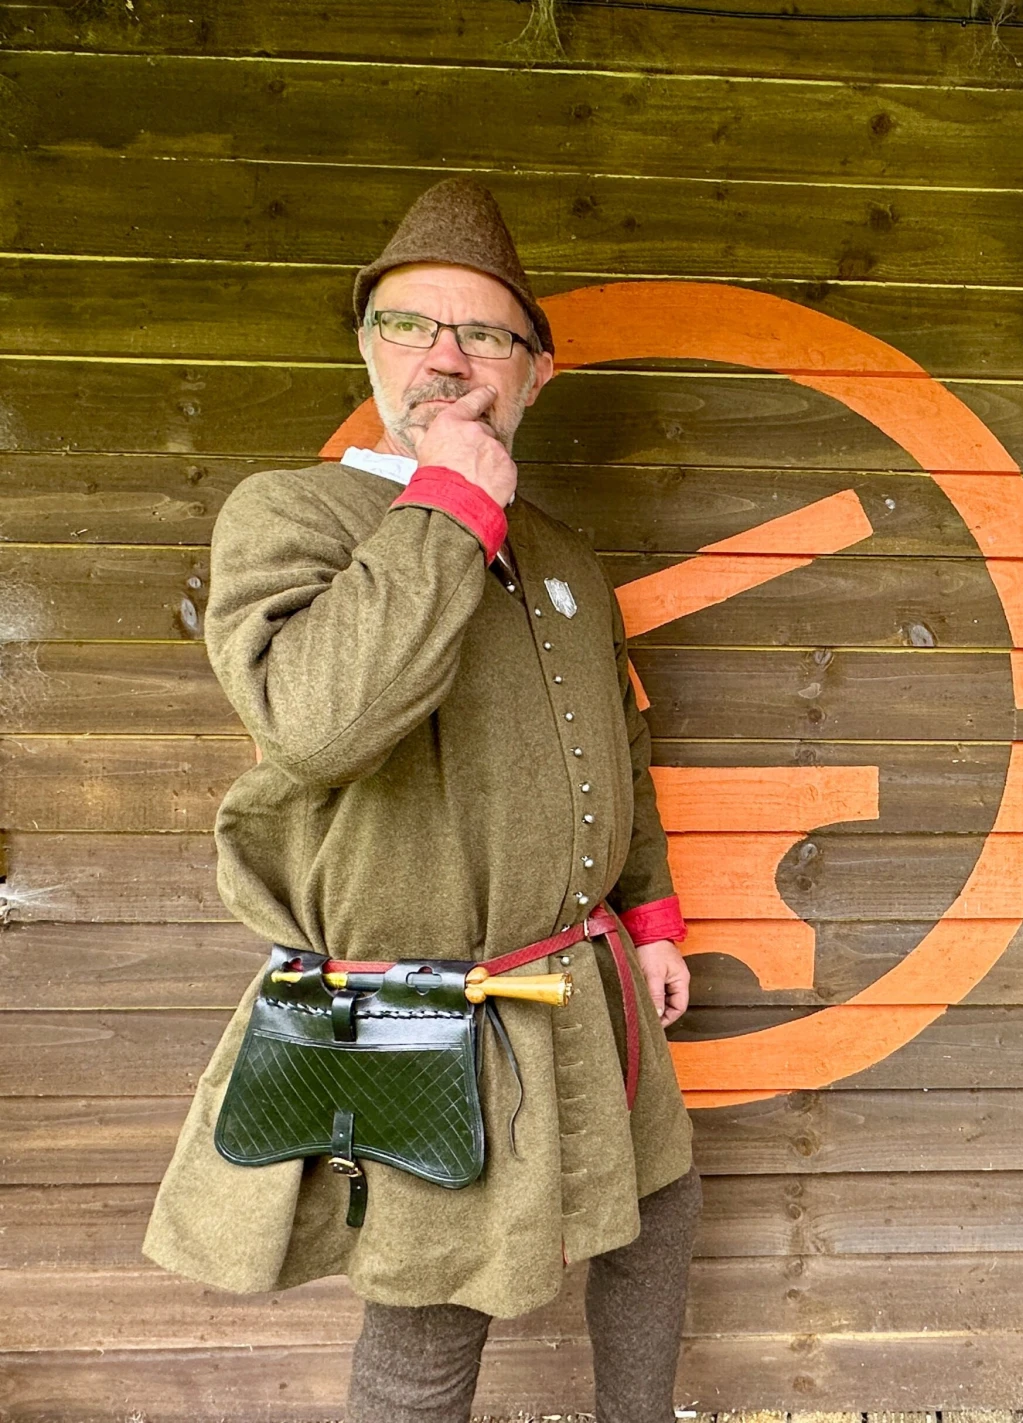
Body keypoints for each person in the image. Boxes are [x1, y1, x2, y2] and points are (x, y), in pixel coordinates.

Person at [143, 178, 701, 1423]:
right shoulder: (290, 514)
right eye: (412, 324)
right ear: (369, 347)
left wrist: (652, 918)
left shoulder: (564, 555)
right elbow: (319, 722)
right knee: (431, 1313)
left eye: (486, 334)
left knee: (660, 1217)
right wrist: (450, 500)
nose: (446, 358)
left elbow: (618, 743)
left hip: (588, 976)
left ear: (536, 372)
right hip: (424, 1009)